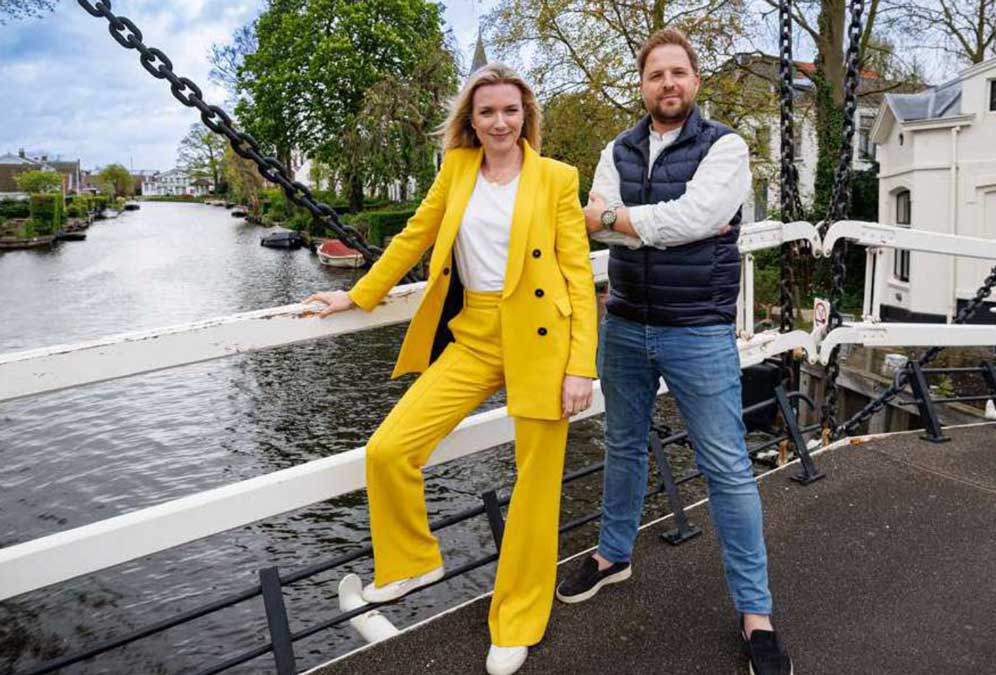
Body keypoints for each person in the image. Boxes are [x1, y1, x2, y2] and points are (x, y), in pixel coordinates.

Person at [305, 63, 597, 675]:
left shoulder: (556, 177)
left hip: (543, 339)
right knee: (390, 448)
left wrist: (581, 367)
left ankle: (517, 621)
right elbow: (413, 237)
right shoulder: (457, 169)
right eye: (487, 111)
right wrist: (357, 295)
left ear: (526, 116)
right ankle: (413, 561)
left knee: (535, 490)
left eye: (510, 110)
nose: (500, 122)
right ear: (471, 119)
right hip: (475, 335)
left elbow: (577, 274)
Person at [553, 28, 793, 675]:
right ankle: (613, 553)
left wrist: (624, 220)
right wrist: (657, 224)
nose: (668, 83)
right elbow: (608, 222)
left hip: (698, 329)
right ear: (642, 84)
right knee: (623, 444)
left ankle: (756, 613)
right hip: (625, 323)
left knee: (726, 466)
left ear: (695, 80)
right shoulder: (617, 149)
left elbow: (694, 217)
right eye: (656, 74)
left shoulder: (725, 146)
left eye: (678, 72)